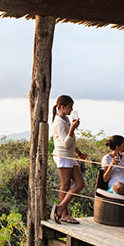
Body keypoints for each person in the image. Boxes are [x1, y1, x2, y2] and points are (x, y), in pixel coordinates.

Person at [50, 95, 88, 224]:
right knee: (65, 184)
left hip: (70, 155)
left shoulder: (65, 118)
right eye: (70, 107)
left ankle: (60, 208)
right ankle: (64, 214)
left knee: (80, 184)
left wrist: (79, 153)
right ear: (62, 107)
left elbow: (71, 142)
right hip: (62, 154)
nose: (72, 110)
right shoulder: (58, 122)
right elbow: (66, 143)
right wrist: (72, 128)